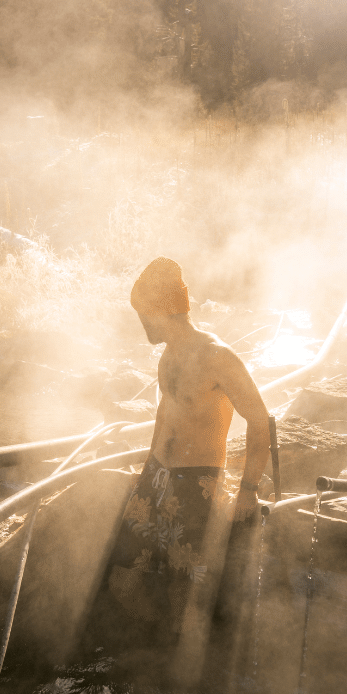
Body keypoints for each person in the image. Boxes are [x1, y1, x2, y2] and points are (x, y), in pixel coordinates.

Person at [108, 256, 270, 635]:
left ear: (161, 310)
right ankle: (150, 648)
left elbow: (260, 420)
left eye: (143, 313)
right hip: (156, 478)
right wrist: (146, 468)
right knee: (123, 579)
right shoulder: (167, 357)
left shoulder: (219, 357)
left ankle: (181, 667)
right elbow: (164, 415)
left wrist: (247, 490)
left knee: (186, 590)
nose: (141, 323)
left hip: (198, 483)